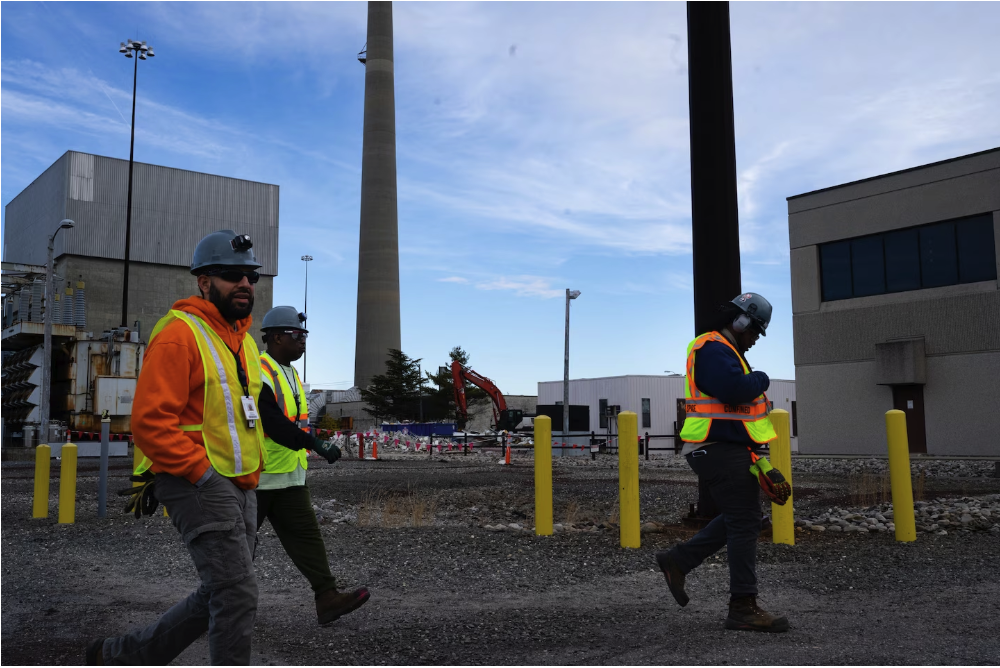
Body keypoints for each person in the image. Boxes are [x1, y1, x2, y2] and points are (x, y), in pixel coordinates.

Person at [87, 230, 268, 665]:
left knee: (220, 590)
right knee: (236, 593)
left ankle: (125, 656)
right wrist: (202, 474)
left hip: (239, 485)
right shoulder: (180, 333)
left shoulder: (241, 342)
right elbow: (150, 423)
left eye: (250, 276)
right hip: (198, 483)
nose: (244, 284)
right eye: (231, 275)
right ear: (204, 282)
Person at [655, 292, 792, 633]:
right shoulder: (713, 348)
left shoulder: (724, 350)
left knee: (744, 518)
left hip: (724, 448)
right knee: (745, 519)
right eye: (755, 331)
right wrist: (761, 378)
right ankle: (742, 606)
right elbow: (733, 389)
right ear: (741, 321)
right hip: (715, 448)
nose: (755, 339)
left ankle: (679, 560)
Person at [255, 305, 370, 624]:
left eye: (304, 335)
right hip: (256, 478)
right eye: (297, 334)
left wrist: (315, 438)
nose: (303, 340)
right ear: (276, 338)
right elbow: (273, 423)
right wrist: (314, 443)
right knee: (237, 546)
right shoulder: (259, 372)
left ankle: (327, 597)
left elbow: (297, 422)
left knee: (307, 537)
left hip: (289, 477)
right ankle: (218, 605)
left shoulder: (291, 374)